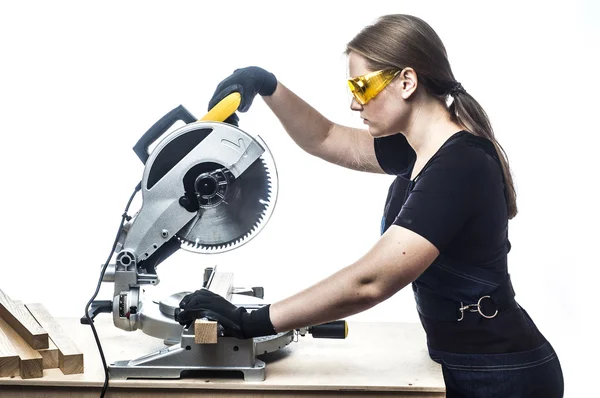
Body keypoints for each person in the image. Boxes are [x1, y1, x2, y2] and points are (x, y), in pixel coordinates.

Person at [175, 14, 564, 397]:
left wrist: (252, 320)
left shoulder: (460, 165)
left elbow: (370, 282)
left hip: (503, 376)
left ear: (407, 81)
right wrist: (266, 84)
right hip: (463, 365)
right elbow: (324, 137)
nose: (352, 103)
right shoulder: (416, 149)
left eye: (361, 87)